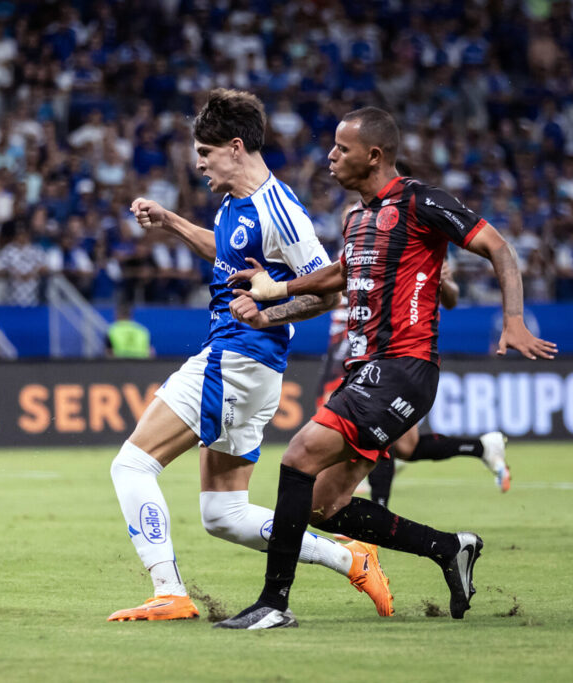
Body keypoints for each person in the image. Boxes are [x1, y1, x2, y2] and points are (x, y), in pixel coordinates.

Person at [221, 106, 556, 629]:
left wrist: (513, 321)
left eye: (341, 148)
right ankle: (450, 548)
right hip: (365, 370)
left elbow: (498, 247)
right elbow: (336, 276)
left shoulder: (422, 202)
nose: (330, 156)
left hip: (404, 366)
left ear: (373, 155)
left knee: (299, 457)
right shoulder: (356, 219)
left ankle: (273, 604)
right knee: (324, 506)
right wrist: (274, 296)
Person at [107, 90, 393, 624]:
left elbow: (329, 291)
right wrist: (170, 221)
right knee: (224, 514)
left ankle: (168, 590)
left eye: (205, 152)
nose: (198, 163)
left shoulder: (279, 210)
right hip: (246, 363)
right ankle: (348, 555)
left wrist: (269, 315)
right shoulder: (234, 203)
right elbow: (225, 250)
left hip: (237, 357)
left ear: (235, 148)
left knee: (132, 465)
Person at [320, 262, 511, 507]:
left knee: (379, 431)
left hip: (401, 354)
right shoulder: (362, 246)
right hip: (362, 350)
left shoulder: (412, 247)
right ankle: (483, 448)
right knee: (407, 447)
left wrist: (446, 281)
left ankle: (373, 522)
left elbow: (450, 299)